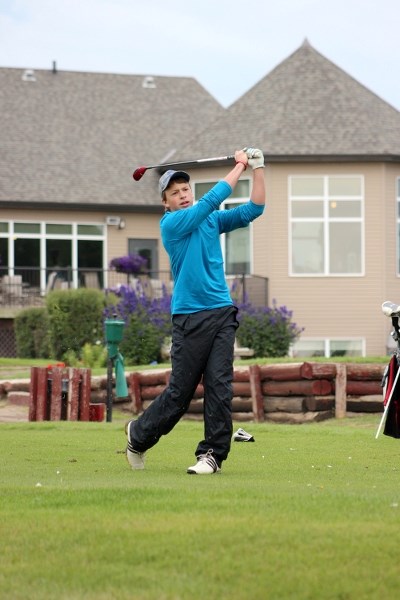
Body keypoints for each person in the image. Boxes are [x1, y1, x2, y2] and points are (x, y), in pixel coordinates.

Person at [125, 147, 266, 474]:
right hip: (189, 317)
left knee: (220, 385)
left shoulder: (210, 219)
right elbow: (210, 201)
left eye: (186, 189)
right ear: (166, 203)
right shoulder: (173, 224)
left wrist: (258, 169)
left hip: (221, 313)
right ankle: (138, 434)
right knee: (179, 394)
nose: (183, 195)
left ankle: (212, 455)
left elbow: (255, 208)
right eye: (175, 193)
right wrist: (239, 166)